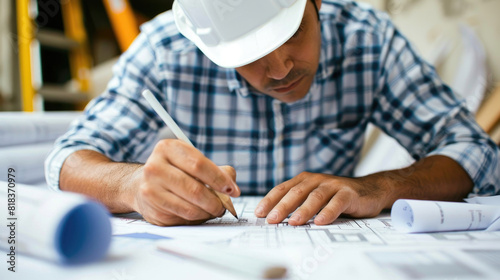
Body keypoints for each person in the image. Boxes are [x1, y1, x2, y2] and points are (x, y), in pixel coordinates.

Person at [45, 0, 500, 226]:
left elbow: (475, 151)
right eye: (252, 53)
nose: (280, 68)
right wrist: (130, 186)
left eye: (295, 32)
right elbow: (67, 160)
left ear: (317, 3)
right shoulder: (166, 51)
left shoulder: (367, 39)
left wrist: (380, 186)